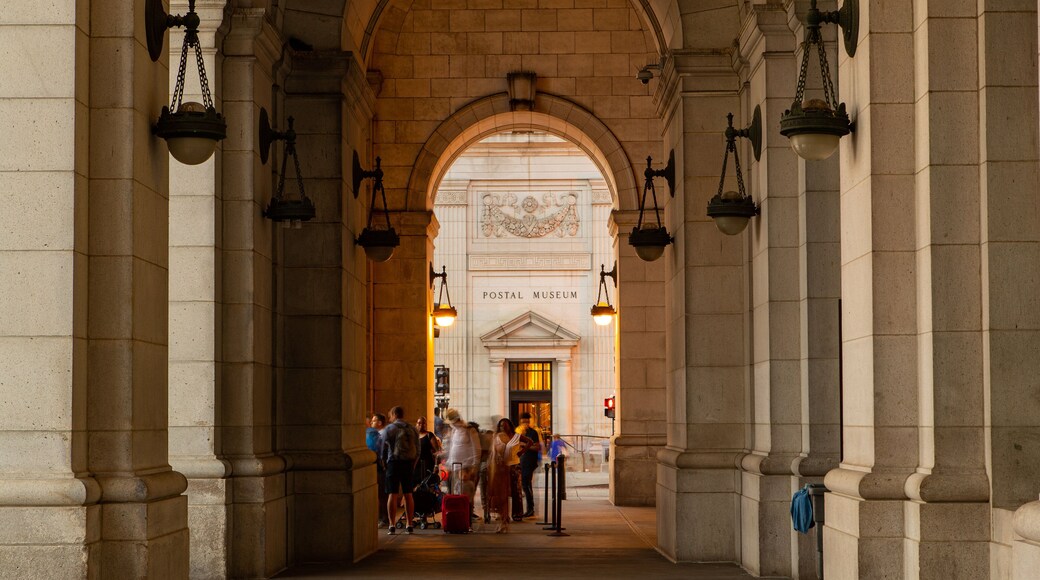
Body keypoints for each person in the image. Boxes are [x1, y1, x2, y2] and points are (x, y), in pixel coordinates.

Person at [486, 418, 531, 532]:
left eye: (505, 425)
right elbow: (493, 451)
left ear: (510, 426)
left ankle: (517, 514)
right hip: (502, 466)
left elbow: (529, 442)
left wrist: (521, 452)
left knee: (516, 490)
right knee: (503, 492)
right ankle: (503, 516)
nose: (503, 427)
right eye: (501, 425)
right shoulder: (498, 436)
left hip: (514, 465)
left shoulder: (516, 436)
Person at [381, 406, 419, 535]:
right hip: (408, 464)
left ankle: (392, 525)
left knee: (392, 494)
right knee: (408, 494)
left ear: (394, 414)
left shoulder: (389, 429)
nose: (389, 418)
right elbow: (418, 451)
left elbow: (382, 449)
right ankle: (409, 524)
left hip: (393, 463)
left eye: (390, 416)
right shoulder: (412, 429)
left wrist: (385, 465)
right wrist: (412, 465)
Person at [444, 408, 481, 519]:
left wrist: (475, 465)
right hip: (455, 466)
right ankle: (458, 515)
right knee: (456, 492)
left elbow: (476, 448)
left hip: (467, 466)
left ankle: (467, 516)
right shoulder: (454, 431)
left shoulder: (469, 430)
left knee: (467, 493)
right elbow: (452, 448)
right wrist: (449, 463)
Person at [515, 412, 544, 518]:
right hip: (520, 461)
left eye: (527, 422)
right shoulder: (517, 432)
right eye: (523, 422)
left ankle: (530, 509)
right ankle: (527, 509)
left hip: (529, 461)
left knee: (526, 485)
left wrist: (524, 445)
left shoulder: (533, 432)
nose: (525, 424)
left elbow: (537, 447)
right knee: (524, 485)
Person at [366, 413, 388, 527]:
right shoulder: (378, 433)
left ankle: (383, 518)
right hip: (380, 467)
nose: (371, 422)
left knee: (381, 494)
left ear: (379, 423)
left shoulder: (380, 434)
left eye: (373, 420)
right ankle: (382, 517)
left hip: (380, 467)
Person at [414, 415, 441, 482]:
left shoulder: (429, 435)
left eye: (423, 423)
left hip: (427, 465)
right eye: (419, 423)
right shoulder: (414, 436)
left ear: (425, 425)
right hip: (416, 466)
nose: (421, 425)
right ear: (416, 424)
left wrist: (436, 466)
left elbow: (438, 451)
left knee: (427, 484)